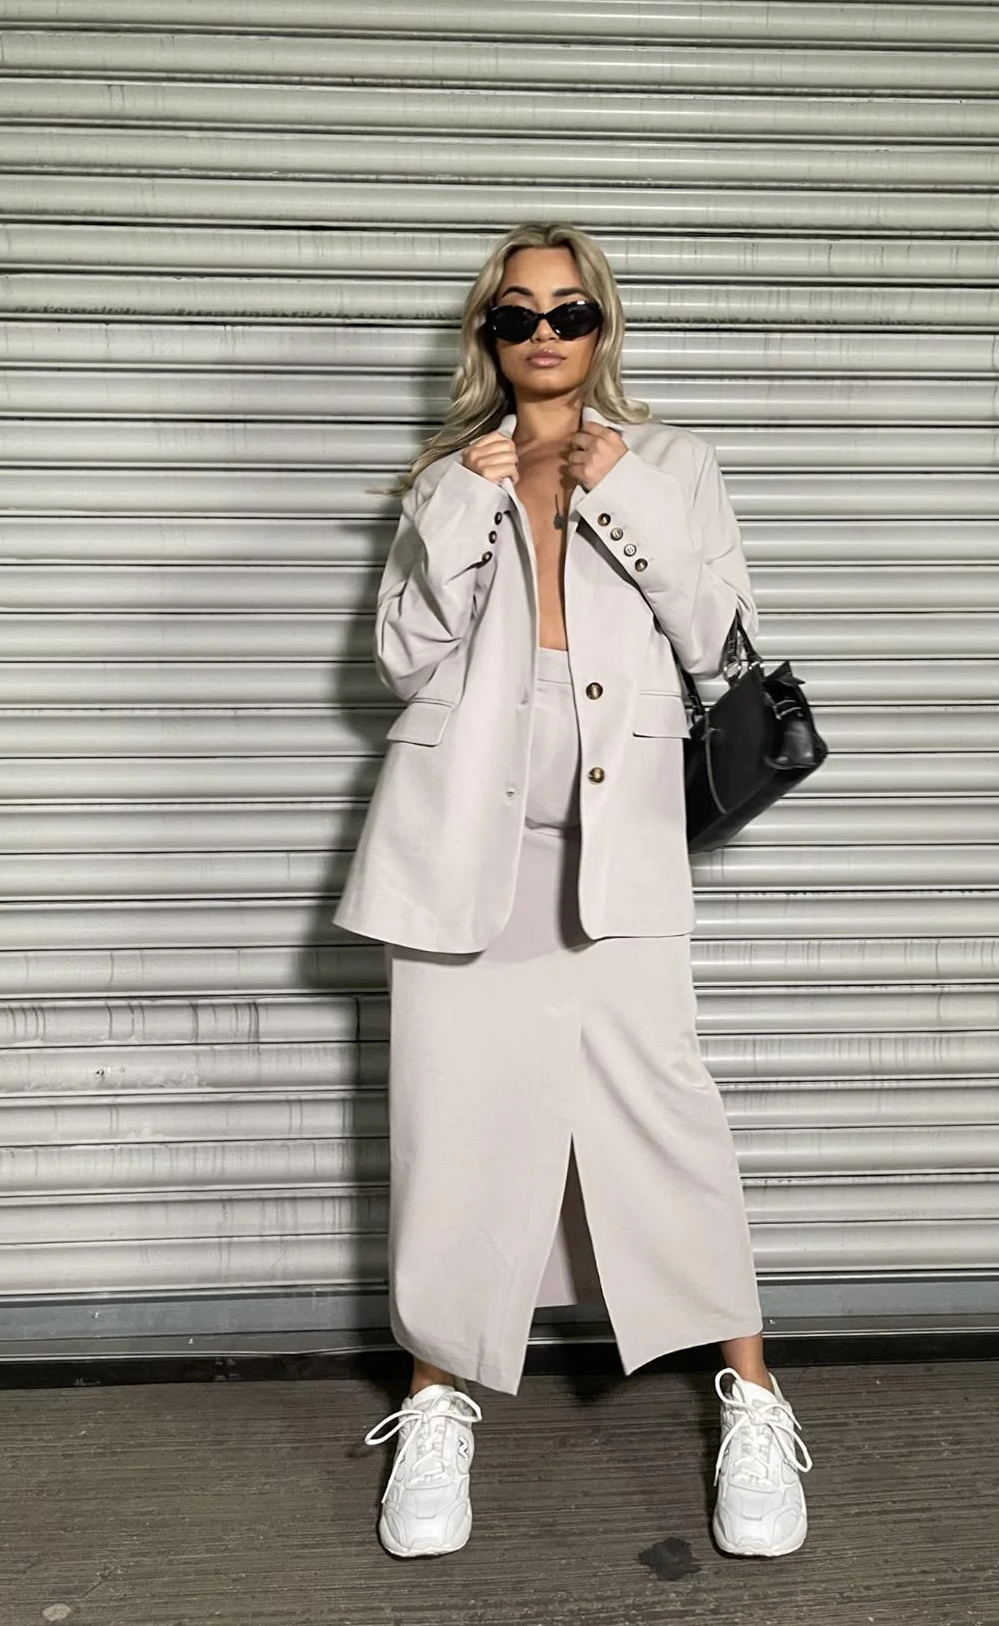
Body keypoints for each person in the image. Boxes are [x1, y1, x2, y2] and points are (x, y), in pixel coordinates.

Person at [334, 221, 812, 1559]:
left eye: (567, 313)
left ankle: (753, 1399)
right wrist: (459, 509)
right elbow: (399, 660)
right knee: (452, 1122)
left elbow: (719, 640)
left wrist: (624, 495)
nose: (542, 335)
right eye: (516, 316)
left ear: (602, 327)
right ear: (486, 337)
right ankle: (438, 1405)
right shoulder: (446, 476)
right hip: (459, 837)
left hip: (617, 839)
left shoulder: (673, 464)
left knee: (665, 1117)